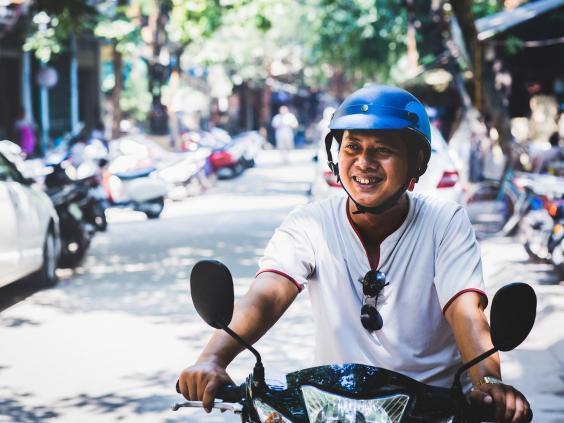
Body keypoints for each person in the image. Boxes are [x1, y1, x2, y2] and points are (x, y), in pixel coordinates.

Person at [178, 85, 531, 422]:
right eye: (353, 148)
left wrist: (489, 384)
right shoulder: (310, 223)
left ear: (415, 161)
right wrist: (212, 358)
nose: (364, 162)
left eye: (382, 150)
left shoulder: (444, 222)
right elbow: (267, 294)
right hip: (332, 409)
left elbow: (466, 312)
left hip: (433, 408)